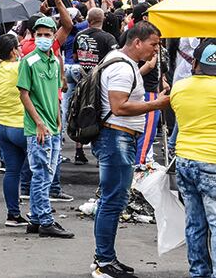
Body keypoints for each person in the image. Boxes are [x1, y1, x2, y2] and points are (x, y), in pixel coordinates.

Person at [91, 21, 170, 278]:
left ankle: (106, 257)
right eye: (153, 44)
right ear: (137, 42)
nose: (155, 50)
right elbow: (119, 107)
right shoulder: (123, 69)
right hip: (116, 138)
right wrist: (157, 104)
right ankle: (104, 262)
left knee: (113, 200)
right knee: (113, 201)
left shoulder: (121, 61)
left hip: (118, 138)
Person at [16, 16, 73, 238]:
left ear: (53, 36)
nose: (42, 38)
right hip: (38, 128)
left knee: (46, 175)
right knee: (41, 174)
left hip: (53, 126)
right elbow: (24, 94)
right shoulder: (29, 61)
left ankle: (37, 218)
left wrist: (58, 120)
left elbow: (55, 95)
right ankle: (46, 220)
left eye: (47, 35)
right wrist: (39, 122)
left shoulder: (55, 61)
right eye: (38, 34)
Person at [171, 39, 216, 278]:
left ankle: (199, 272)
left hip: (185, 160)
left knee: (195, 223)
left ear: (196, 63)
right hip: (212, 161)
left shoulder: (180, 87)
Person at [0, 34, 28, 227]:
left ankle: (13, 214)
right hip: (22, 126)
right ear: (13, 51)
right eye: (18, 47)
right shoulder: (19, 68)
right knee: (39, 171)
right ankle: (39, 212)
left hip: (2, 126)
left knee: (12, 172)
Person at [72, 7, 117, 165]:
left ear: (88, 20)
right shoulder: (109, 38)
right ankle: (100, 155)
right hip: (100, 82)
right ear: (103, 19)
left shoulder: (79, 35)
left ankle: (79, 151)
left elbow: (75, 56)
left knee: (80, 113)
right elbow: (115, 59)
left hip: (82, 80)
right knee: (101, 115)